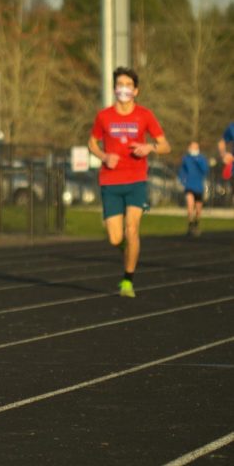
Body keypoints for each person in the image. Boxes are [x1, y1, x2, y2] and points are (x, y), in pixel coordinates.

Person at [87, 67, 171, 298]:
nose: (123, 88)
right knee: (116, 238)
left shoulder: (144, 115)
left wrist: (149, 147)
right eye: (119, 84)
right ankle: (127, 249)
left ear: (136, 90)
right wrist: (104, 156)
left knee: (132, 230)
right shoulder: (104, 116)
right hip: (110, 182)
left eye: (128, 85)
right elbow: (91, 143)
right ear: (115, 88)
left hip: (136, 180)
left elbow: (165, 146)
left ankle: (127, 280)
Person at [178, 141, 209, 236]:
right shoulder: (186, 158)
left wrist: (198, 161)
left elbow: (205, 170)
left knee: (198, 208)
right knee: (190, 205)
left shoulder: (202, 159)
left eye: (195, 147)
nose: (193, 149)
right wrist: (182, 180)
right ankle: (190, 225)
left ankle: (196, 223)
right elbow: (182, 171)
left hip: (199, 186)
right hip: (189, 186)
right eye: (192, 147)